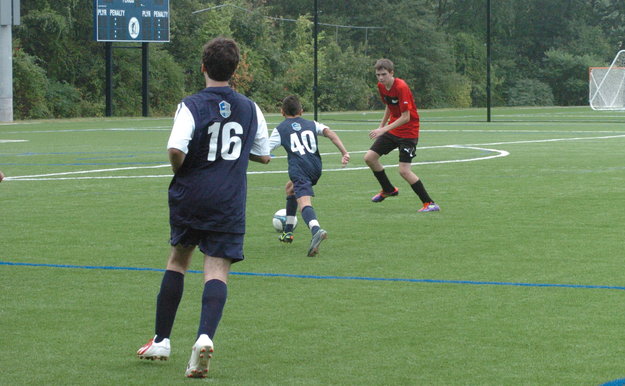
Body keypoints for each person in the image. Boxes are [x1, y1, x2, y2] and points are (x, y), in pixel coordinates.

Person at [136, 37, 271, 379]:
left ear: (202, 67)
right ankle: (204, 337)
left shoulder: (191, 105)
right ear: (235, 70)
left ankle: (161, 341)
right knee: (217, 269)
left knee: (179, 260)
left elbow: (175, 149)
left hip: (192, 196)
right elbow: (264, 155)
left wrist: (181, 170)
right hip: (228, 200)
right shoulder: (250, 107)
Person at [269, 95, 350, 256]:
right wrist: (344, 152)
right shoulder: (312, 124)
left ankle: (316, 230)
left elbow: (264, 150)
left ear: (282, 112)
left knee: (304, 202)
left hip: (299, 170)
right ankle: (288, 231)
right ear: (301, 111)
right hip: (316, 168)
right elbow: (330, 133)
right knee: (290, 188)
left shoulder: (280, 129)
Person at [364, 58, 440, 213]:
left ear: (392, 73)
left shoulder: (401, 87)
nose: (380, 78)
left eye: (384, 74)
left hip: (408, 133)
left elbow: (406, 117)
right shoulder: (381, 86)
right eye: (378, 75)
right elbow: (389, 105)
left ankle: (430, 203)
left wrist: (383, 130)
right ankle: (388, 189)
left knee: (404, 171)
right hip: (393, 130)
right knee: (370, 158)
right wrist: (381, 126)